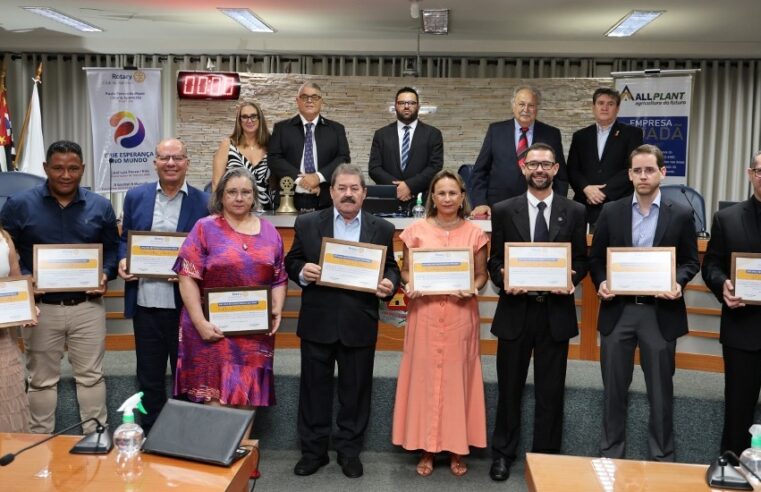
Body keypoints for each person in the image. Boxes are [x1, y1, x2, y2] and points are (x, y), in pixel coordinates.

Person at [285, 164, 400, 479]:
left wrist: (389, 283)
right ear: (331, 191)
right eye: (342, 188)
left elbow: (391, 267)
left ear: (364, 193)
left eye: (354, 189)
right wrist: (301, 272)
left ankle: (349, 452)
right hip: (317, 321)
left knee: (356, 391)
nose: (348, 194)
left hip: (359, 322)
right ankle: (314, 452)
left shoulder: (382, 228)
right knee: (313, 391)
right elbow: (291, 260)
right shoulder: (308, 223)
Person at [0, 140, 119, 434]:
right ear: (45, 169)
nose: (65, 175)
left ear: (82, 169)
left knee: (91, 376)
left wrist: (104, 273)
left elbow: (113, 251)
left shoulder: (100, 206)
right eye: (58, 168)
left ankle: (96, 438)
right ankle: (40, 443)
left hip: (87, 308)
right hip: (42, 310)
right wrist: (27, 278)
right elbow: (7, 250)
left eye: (73, 168)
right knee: (41, 379)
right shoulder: (19, 205)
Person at [590, 144, 699, 461]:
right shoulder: (612, 211)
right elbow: (597, 260)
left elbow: (691, 261)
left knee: (661, 392)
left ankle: (663, 457)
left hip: (660, 313)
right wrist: (602, 282)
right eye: (637, 170)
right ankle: (610, 454)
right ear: (629, 174)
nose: (643, 175)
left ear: (662, 173)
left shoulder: (680, 214)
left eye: (649, 169)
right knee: (613, 389)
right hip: (618, 311)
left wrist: (678, 283)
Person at [487, 142, 588, 481]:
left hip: (555, 314)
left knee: (550, 392)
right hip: (515, 312)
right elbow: (495, 261)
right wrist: (503, 278)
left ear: (557, 169)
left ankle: (546, 460)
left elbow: (582, 260)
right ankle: (503, 454)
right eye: (534, 164)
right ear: (523, 168)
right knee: (509, 389)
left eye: (546, 164)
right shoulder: (503, 210)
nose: (540, 170)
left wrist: (571, 277)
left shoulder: (574, 211)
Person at [391, 169, 488, 477]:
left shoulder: (475, 233)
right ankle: (427, 448)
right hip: (426, 313)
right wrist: (411, 282)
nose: (447, 198)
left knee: (460, 379)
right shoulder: (415, 230)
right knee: (424, 378)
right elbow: (406, 272)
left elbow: (482, 275)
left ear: (462, 198)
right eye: (441, 193)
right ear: (432, 197)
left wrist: (472, 287)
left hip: (461, 314)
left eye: (453, 193)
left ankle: (459, 448)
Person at [173, 167, 287, 414]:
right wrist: (200, 322)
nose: (239, 198)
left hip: (254, 330)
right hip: (212, 329)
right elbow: (187, 276)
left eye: (246, 192)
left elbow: (279, 277)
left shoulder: (270, 232)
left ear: (254, 196)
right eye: (232, 192)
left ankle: (242, 452)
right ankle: (217, 452)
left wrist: (276, 308)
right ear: (221, 196)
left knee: (246, 394)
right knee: (216, 399)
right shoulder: (204, 228)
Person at [117, 138, 209, 434]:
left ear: (187, 163)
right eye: (164, 157)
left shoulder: (204, 202)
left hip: (184, 307)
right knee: (149, 377)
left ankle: (182, 437)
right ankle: (153, 434)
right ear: (154, 161)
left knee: (186, 375)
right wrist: (123, 260)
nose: (171, 163)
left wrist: (190, 272)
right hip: (146, 302)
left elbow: (210, 251)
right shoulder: (135, 196)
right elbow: (124, 240)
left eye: (177, 158)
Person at [702, 151, 761, 457]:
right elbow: (710, 265)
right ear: (750, 174)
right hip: (742, 331)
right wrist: (721, 284)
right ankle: (733, 473)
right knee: (738, 413)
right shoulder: (728, 218)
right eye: (760, 171)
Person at [470, 85, 568, 218]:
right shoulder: (496, 131)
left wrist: (556, 204)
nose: (525, 109)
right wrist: (480, 202)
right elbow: (480, 171)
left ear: (537, 108)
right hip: (499, 207)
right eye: (521, 104)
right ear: (513, 106)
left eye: (531, 105)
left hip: (539, 209)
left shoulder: (551, 134)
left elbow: (561, 177)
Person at [268, 82, 351, 211]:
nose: (309, 100)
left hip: (324, 198)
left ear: (321, 101)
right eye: (304, 97)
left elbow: (343, 158)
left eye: (315, 97)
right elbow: (274, 159)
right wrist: (300, 180)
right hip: (288, 199)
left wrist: (318, 177)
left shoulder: (336, 129)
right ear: (297, 100)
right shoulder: (282, 128)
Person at [567, 88, 644, 225]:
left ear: (617, 108)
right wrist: (586, 189)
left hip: (618, 203)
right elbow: (572, 169)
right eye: (600, 103)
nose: (605, 107)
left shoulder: (632, 134)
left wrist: (603, 192)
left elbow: (633, 168)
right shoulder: (580, 136)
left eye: (610, 104)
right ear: (593, 107)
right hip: (584, 204)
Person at [368, 86, 444, 213]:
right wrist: (397, 189)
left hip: (422, 202)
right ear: (395, 106)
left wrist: (409, 186)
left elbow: (435, 167)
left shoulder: (433, 134)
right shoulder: (381, 134)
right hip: (388, 201)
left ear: (418, 106)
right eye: (402, 103)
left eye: (411, 103)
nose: (407, 106)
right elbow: (374, 168)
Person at [0, 224, 34, 432]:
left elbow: (15, 278)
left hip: (2, 337)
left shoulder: (4, 237)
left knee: (8, 397)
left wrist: (26, 307)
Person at [212, 101, 273, 209]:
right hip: (234, 211)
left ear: (260, 118)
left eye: (253, 116)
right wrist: (219, 212)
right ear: (239, 121)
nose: (249, 120)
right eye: (244, 117)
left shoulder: (272, 145)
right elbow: (217, 184)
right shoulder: (227, 145)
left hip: (267, 212)